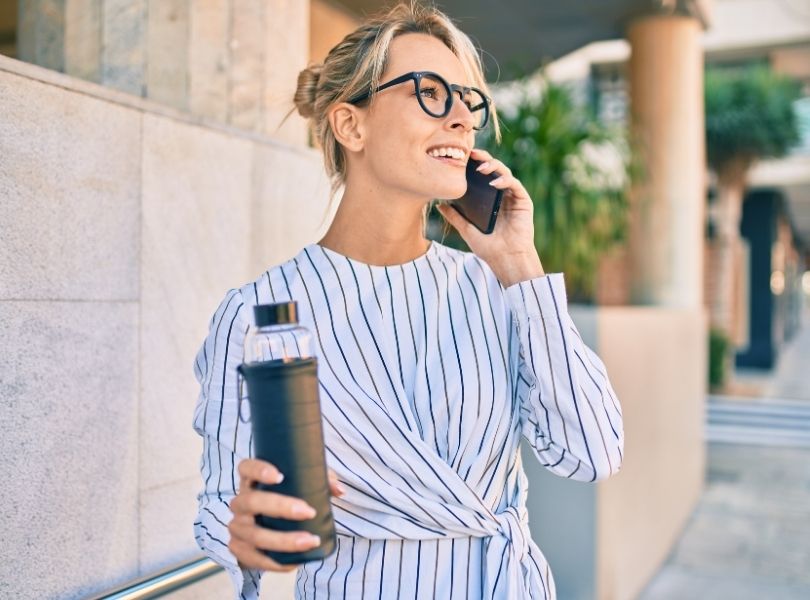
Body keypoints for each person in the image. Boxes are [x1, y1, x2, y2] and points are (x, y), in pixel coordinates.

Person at [192, 1, 625, 598]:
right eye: (430, 93)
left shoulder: (494, 288)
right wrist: (248, 535)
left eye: (468, 101)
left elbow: (592, 453)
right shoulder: (260, 311)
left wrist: (520, 264)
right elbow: (221, 502)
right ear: (352, 126)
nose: (461, 120)